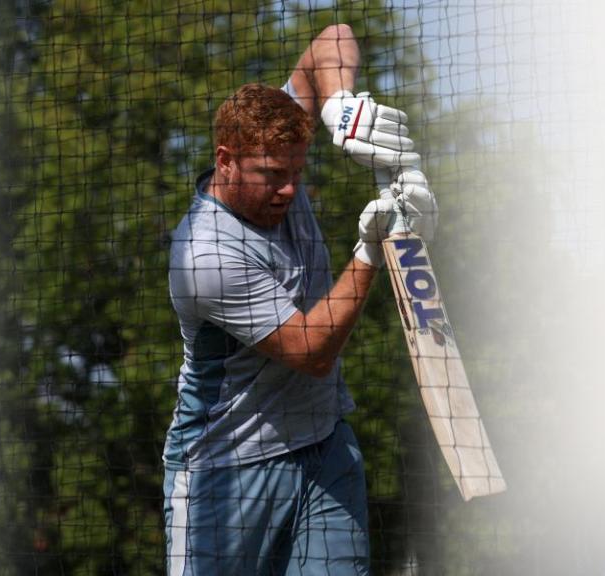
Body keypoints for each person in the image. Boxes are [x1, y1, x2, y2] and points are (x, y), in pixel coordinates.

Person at [163, 24, 436, 575]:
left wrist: (341, 110)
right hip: (228, 472)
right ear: (225, 160)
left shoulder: (278, 146)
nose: (288, 190)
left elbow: (333, 37)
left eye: (296, 172)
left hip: (325, 447)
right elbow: (311, 352)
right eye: (271, 175)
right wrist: (370, 249)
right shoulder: (204, 256)